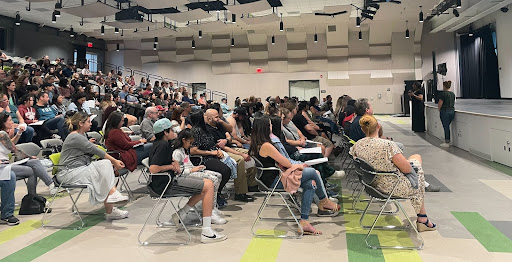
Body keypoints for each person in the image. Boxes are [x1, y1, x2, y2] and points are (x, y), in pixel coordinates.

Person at [249, 116, 340, 235]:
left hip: (274, 178)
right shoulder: (266, 145)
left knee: (310, 184)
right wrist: (301, 166)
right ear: (265, 127)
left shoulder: (257, 143)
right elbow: (286, 163)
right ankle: (324, 200)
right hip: (275, 181)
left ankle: (304, 222)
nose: (272, 127)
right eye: (270, 124)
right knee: (312, 172)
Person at [349, 115, 436, 232]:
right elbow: (406, 169)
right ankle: (423, 218)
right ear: (378, 127)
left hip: (373, 185)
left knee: (415, 161)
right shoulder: (388, 146)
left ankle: (423, 218)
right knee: (417, 164)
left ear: (362, 129)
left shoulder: (358, 145)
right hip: (393, 187)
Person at [148, 118, 227, 243]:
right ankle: (206, 231)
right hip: (165, 184)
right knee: (209, 185)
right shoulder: (163, 145)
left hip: (168, 180)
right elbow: (153, 168)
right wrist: (171, 166)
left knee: (205, 187)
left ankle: (180, 215)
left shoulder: (160, 144)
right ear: (165, 132)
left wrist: (172, 162)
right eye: (171, 130)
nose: (174, 132)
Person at [57, 111, 129, 220]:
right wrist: (114, 161)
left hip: (78, 170)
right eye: (88, 122)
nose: (91, 124)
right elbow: (95, 150)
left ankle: (112, 200)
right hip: (68, 173)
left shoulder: (81, 136)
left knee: (104, 167)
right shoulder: (75, 137)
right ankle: (112, 198)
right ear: (81, 123)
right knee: (103, 168)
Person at [172, 128, 226, 224]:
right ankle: (210, 211)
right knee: (213, 179)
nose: (191, 145)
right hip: (185, 175)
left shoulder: (185, 150)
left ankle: (212, 206)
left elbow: (188, 164)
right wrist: (192, 170)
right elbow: (178, 171)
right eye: (190, 142)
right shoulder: (177, 153)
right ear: (184, 140)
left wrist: (196, 168)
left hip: (191, 171)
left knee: (218, 175)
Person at [204, 109, 257, 202]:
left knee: (252, 153)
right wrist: (240, 153)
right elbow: (222, 147)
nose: (219, 118)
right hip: (222, 151)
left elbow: (228, 133)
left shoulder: (219, 124)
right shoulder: (208, 130)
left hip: (229, 146)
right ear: (209, 118)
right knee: (240, 160)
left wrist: (226, 139)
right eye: (216, 117)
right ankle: (240, 192)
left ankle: (251, 183)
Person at [0, 112, 58, 196]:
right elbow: (14, 149)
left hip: (6, 164)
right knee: (31, 170)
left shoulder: (4, 134)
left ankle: (50, 185)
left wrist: (19, 132)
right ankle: (33, 196)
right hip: (3, 167)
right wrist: (29, 157)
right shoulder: (2, 134)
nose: (12, 122)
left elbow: (11, 144)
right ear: (3, 123)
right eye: (10, 120)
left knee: (34, 162)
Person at [189, 111, 235, 207]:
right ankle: (215, 192)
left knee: (230, 165)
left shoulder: (205, 129)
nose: (207, 117)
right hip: (203, 158)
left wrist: (217, 151)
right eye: (204, 116)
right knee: (225, 170)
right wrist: (211, 152)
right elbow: (193, 151)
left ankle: (216, 192)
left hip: (213, 153)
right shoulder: (196, 131)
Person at [438, 81, 456, 148]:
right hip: (451, 110)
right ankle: (448, 140)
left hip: (444, 111)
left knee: (446, 127)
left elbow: (440, 103)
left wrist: (439, 109)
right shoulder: (452, 94)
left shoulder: (443, 94)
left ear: (444, 86)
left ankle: (447, 141)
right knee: (447, 126)